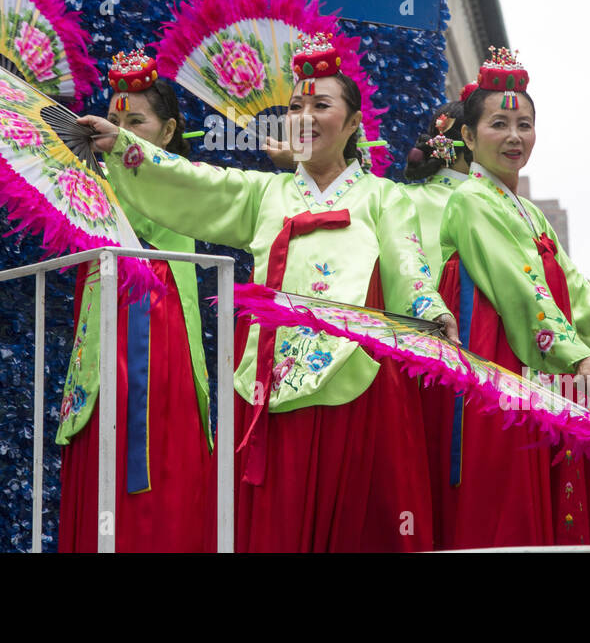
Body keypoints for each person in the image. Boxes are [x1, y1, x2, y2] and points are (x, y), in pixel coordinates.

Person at [79, 34, 457, 552]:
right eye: (296, 106)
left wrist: (429, 310)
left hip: (359, 380)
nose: (304, 116)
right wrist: (123, 144)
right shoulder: (267, 193)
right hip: (267, 383)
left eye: (321, 106)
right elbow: (193, 182)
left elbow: (408, 265)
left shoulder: (383, 197)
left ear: (351, 124)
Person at [437, 49, 590, 547]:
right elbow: (518, 282)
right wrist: (573, 353)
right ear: (468, 137)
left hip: (542, 364)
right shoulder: (470, 200)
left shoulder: (529, 212)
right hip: (500, 370)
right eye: (499, 124)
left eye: (525, 124)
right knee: (508, 496)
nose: (515, 136)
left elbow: (576, 288)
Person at [56, 50, 215, 552]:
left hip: (156, 324)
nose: (118, 130)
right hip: (100, 326)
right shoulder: (91, 179)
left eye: (134, 122)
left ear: (167, 132)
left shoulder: (177, 177)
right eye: (115, 119)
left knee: (156, 445)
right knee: (98, 434)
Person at [400, 101, 477, 543]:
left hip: (415, 364)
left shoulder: (399, 196)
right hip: (461, 363)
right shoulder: (483, 204)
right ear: (465, 140)